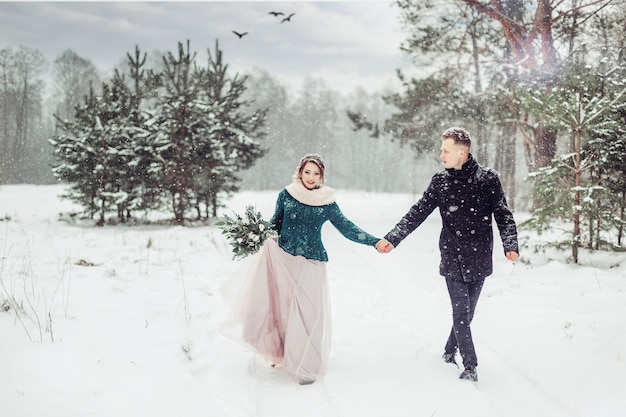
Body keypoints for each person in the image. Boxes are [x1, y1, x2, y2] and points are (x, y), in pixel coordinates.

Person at [376, 127, 519, 382]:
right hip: (452, 255)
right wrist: (392, 238)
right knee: (461, 313)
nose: (441, 155)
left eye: (446, 150)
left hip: (480, 255)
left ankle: (448, 350)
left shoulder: (488, 180)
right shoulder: (440, 182)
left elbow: (502, 213)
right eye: (441, 150)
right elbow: (418, 212)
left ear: (461, 152)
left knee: (468, 313)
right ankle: (470, 365)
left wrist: (510, 244)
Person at [226, 153, 380, 385]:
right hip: (284, 258)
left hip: (312, 262)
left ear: (321, 176)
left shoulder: (326, 201)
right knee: (284, 308)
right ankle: (283, 352)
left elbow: (347, 228)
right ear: (299, 172)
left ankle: (304, 364)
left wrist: (375, 241)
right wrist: (255, 233)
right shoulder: (286, 195)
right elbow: (275, 224)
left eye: (315, 173)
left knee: (307, 312)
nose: (310, 177)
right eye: (307, 172)